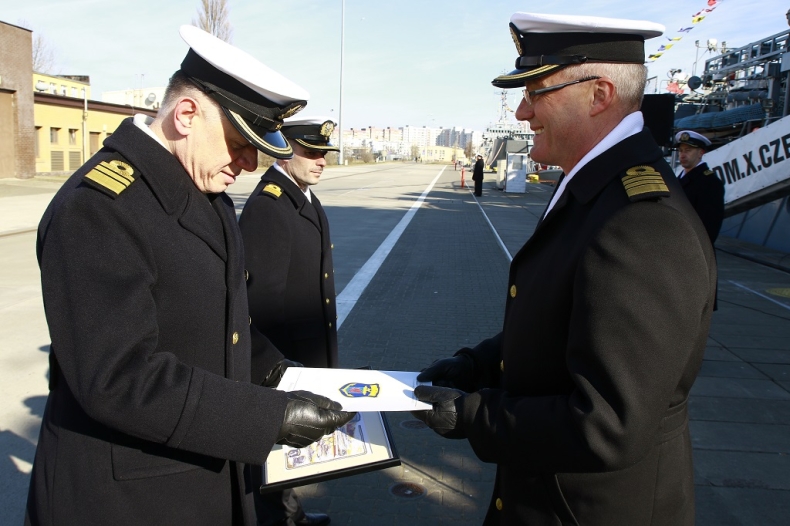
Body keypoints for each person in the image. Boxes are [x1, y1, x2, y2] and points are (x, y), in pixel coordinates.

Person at [26, 26, 354, 526]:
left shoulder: (206, 196)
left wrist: (280, 373)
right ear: (186, 116)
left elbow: (227, 320)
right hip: (127, 498)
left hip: (198, 473)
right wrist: (271, 417)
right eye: (240, 143)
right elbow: (118, 376)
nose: (249, 164)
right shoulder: (98, 209)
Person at [411, 12, 717, 526]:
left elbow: (607, 424)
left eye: (536, 91)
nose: (524, 111)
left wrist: (474, 416)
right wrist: (478, 365)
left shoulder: (640, 220)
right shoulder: (594, 186)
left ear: (598, 95)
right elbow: (562, 322)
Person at [239, 116, 340, 526]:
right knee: (267, 455)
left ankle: (290, 515)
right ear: (284, 149)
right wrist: (278, 373)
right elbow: (260, 305)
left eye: (324, 154)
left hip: (304, 353)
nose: (321, 162)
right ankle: (280, 519)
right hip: (285, 361)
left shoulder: (302, 197)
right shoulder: (269, 207)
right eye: (311, 152)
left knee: (283, 456)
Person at [674, 130, 725, 244]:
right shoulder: (678, 180)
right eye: (681, 150)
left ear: (700, 153)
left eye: (688, 150)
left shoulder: (710, 183)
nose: (682, 154)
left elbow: (708, 228)